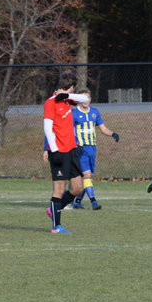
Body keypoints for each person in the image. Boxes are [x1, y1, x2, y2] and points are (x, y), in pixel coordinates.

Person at [43, 71, 90, 234]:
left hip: (71, 151)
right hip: (59, 152)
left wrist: (66, 95)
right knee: (59, 189)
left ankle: (53, 210)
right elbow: (47, 129)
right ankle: (56, 226)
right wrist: (54, 151)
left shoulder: (67, 99)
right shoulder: (50, 102)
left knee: (77, 188)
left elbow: (85, 98)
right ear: (72, 86)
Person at [69, 87, 120, 210]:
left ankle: (77, 202)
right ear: (78, 100)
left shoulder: (95, 112)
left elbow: (103, 128)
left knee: (85, 177)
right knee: (87, 175)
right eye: (83, 98)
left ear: (90, 99)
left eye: (87, 98)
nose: (85, 100)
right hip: (80, 149)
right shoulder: (73, 113)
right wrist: (74, 145)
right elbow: (68, 131)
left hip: (92, 149)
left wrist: (113, 134)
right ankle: (93, 202)